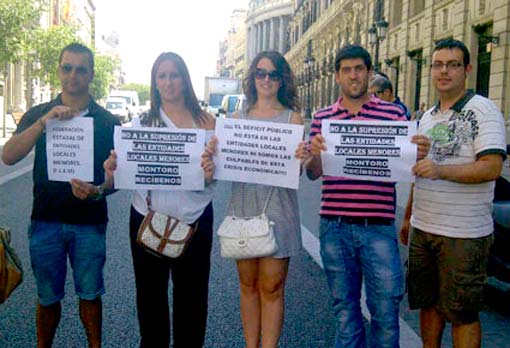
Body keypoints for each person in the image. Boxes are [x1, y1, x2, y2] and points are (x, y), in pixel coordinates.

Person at [296, 44, 430, 347]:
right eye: (346, 70)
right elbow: (314, 173)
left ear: (369, 73)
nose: (353, 75)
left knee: (384, 313)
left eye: (359, 69)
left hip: (378, 228)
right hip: (335, 227)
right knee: (344, 312)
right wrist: (312, 155)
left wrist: (419, 152)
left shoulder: (394, 114)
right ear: (338, 76)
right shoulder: (324, 118)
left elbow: (409, 166)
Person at [1, 43, 120, 348]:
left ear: (91, 74)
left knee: (91, 296)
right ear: (58, 70)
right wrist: (42, 124)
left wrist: (99, 190)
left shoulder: (107, 122)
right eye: (67, 67)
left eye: (81, 69)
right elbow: (8, 156)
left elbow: (117, 179)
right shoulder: (40, 114)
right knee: (47, 298)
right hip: (46, 222)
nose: (73, 75)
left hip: (89, 222)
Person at [103, 52, 216, 348]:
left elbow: (216, 175)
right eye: (162, 76)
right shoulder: (140, 124)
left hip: (196, 218)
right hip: (146, 216)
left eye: (174, 75)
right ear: (155, 82)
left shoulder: (207, 123)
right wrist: (113, 170)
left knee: (192, 300)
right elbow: (121, 175)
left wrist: (210, 171)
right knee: (150, 298)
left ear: (185, 80)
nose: (169, 82)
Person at [400, 38, 506, 348]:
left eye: (453, 64)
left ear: (467, 70)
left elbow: (491, 167)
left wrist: (441, 170)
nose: (444, 71)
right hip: (424, 227)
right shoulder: (429, 115)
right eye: (438, 64)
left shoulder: (483, 110)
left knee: (462, 313)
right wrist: (409, 217)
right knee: (427, 304)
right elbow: (417, 172)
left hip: (464, 233)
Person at [209, 51, 303, 348]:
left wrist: (304, 158)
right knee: (248, 286)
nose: (266, 79)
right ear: (252, 79)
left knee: (272, 287)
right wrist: (212, 156)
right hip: (244, 208)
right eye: (260, 73)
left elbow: (300, 169)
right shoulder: (235, 119)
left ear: (282, 80)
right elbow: (219, 168)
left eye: (273, 74)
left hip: (279, 208)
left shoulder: (293, 118)